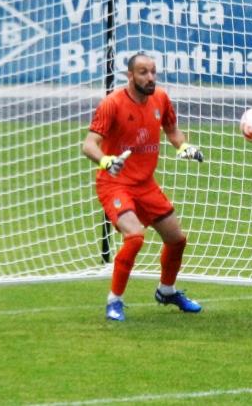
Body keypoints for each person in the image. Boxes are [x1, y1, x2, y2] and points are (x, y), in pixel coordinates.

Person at [81, 52, 205, 322]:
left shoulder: (160, 98)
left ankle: (167, 291)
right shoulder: (112, 104)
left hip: (145, 184)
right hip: (114, 184)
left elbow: (171, 129)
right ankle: (114, 301)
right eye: (143, 72)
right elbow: (88, 144)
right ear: (130, 76)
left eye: (152, 72)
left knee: (177, 239)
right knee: (134, 237)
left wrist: (183, 146)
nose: (150, 77)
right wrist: (105, 161)